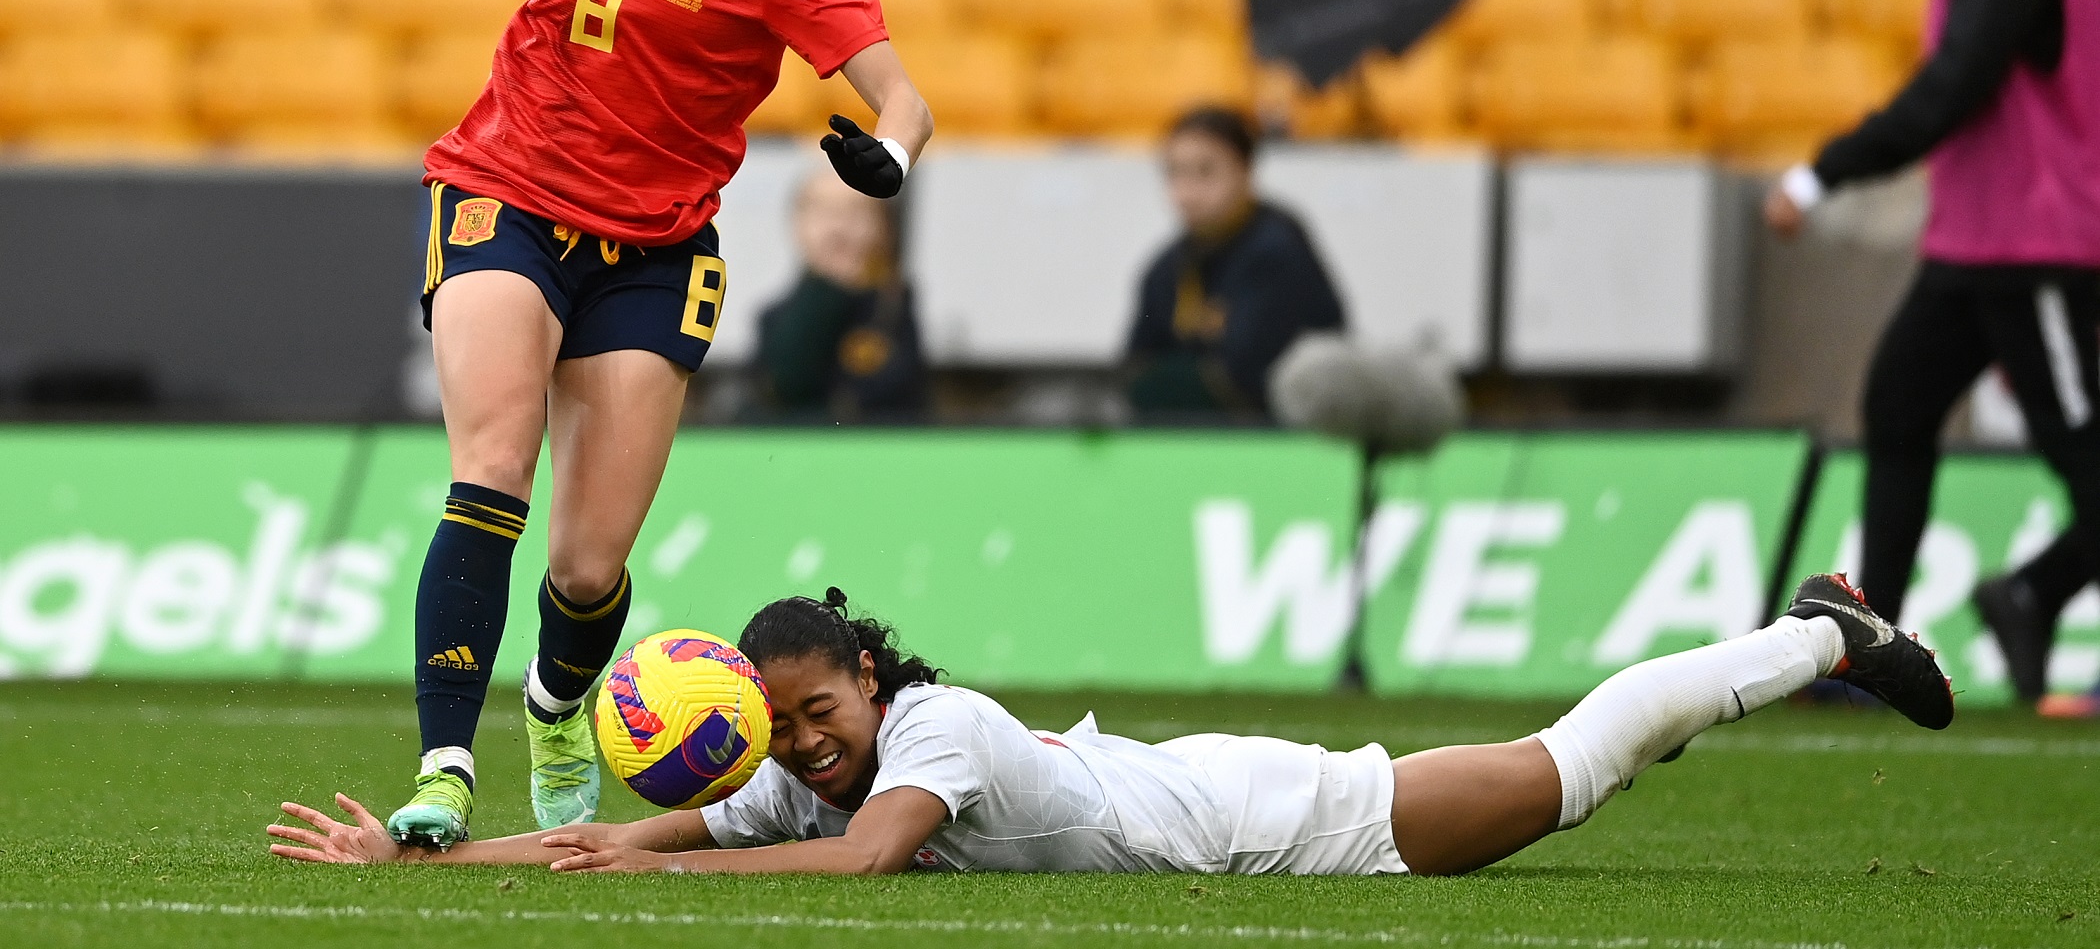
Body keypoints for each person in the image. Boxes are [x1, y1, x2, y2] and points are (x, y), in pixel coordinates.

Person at [394, 0, 934, 848]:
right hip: (505, 195)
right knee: (493, 464)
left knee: (588, 566)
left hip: (655, 247)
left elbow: (904, 98)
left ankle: (555, 701)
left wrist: (885, 160)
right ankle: (441, 769)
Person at [268, 576, 1951, 877]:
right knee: (1579, 778)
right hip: (1208, 809)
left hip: (1277, 819)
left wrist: (653, 883)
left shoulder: (939, 735)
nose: (803, 747)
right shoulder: (804, 779)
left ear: (869, 676)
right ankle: (1812, 638)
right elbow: (607, 834)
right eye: (777, 736)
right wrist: (423, 852)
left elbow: (861, 872)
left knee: (1567, 778)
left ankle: (1818, 632)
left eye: (815, 713)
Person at [1764, 0, 2100, 705]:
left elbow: (1957, 81)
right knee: (1901, 406)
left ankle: (2034, 590)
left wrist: (1826, 170)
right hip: (1980, 234)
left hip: (2034, 235)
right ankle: (1872, 650)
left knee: (2085, 457)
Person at [1125, 107, 1345, 416]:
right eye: (1174, 172)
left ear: (1245, 170)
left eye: (1206, 171)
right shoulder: (1166, 267)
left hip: (1288, 442)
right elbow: (1133, 368)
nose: (1187, 192)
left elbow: (1245, 380)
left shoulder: (1278, 252)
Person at [753, 172, 927, 420]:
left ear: (883, 226)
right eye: (822, 212)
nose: (838, 228)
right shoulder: (773, 318)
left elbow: (900, 395)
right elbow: (786, 385)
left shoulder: (894, 307)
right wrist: (826, 291)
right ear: (797, 224)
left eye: (854, 213)